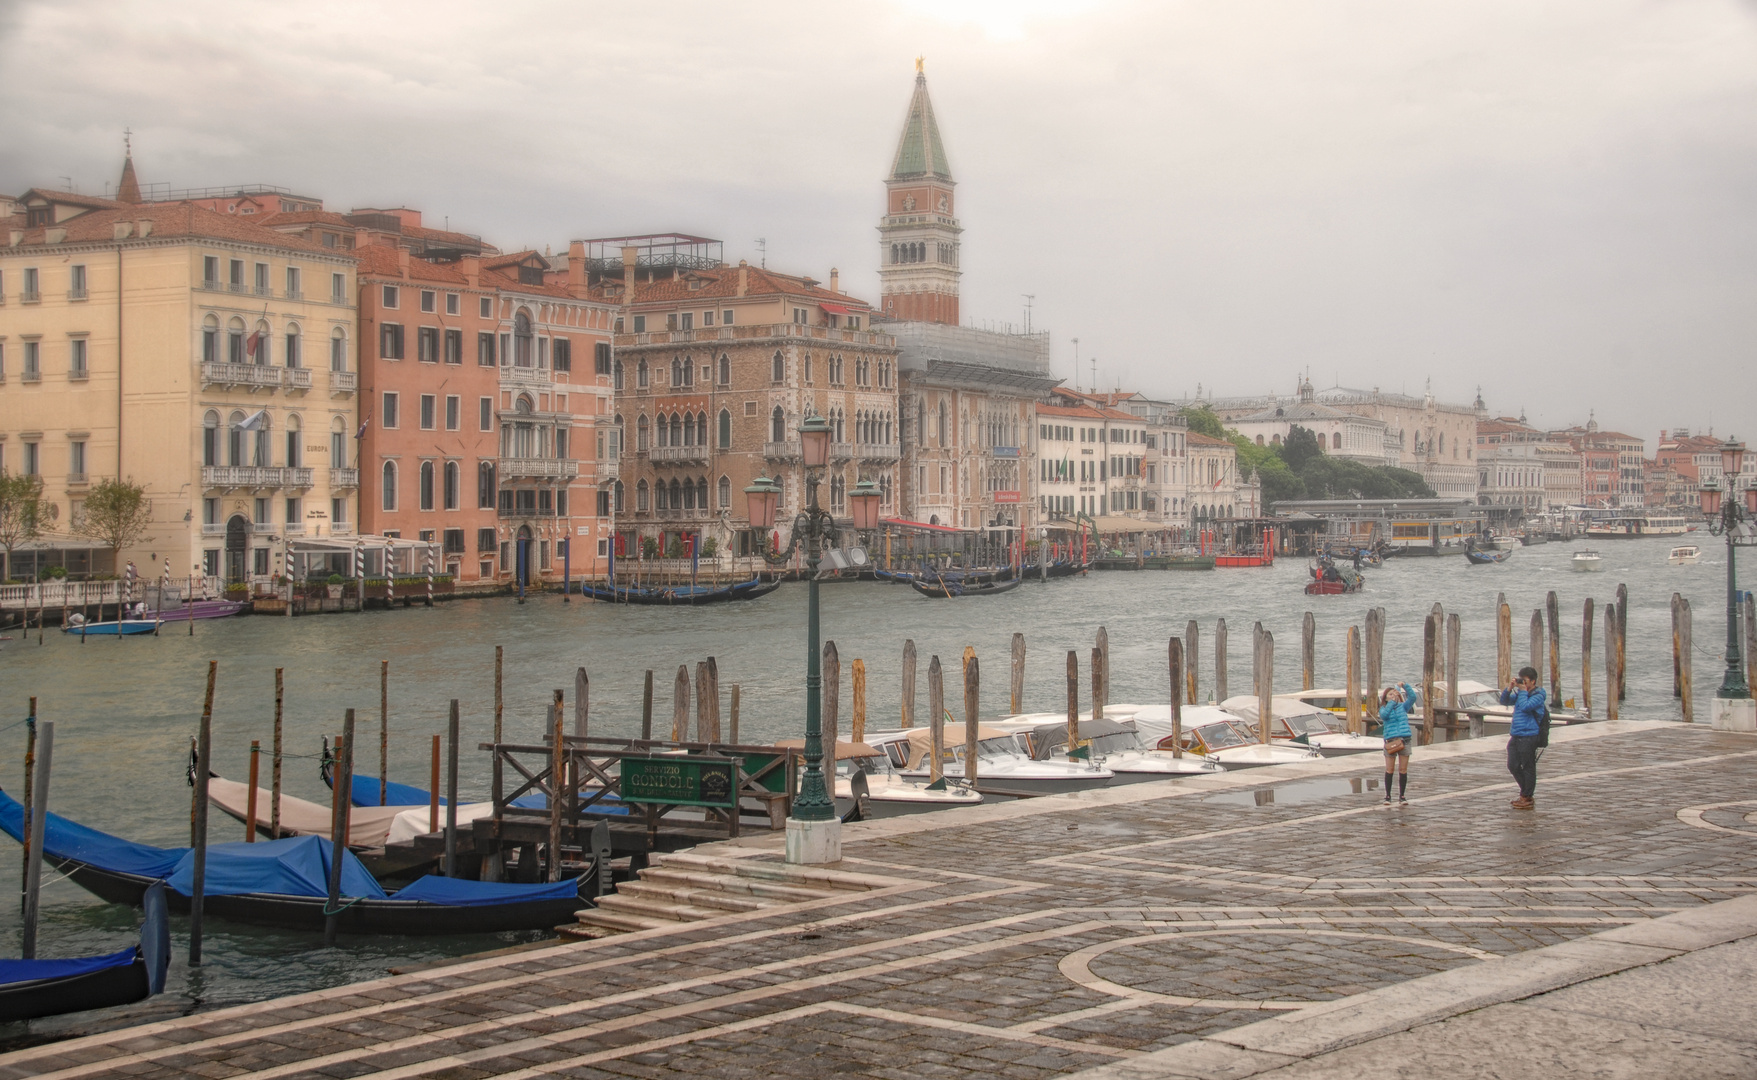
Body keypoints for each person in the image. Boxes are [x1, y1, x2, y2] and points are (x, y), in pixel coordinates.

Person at [1501, 666, 1546, 809]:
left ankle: (1527, 796)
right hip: (1516, 734)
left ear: (1532, 681)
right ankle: (1525, 792)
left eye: (1525, 681)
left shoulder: (1538, 695)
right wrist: (1510, 688)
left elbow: (1525, 706)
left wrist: (1522, 691)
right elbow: (1504, 702)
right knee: (1512, 765)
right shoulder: (1523, 693)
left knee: (1528, 766)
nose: (1523, 683)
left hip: (1529, 735)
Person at [1377, 682, 1418, 804]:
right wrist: (1391, 703)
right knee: (1389, 769)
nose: (1393, 696)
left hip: (1404, 740)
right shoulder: (1384, 709)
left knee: (1403, 769)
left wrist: (1404, 686)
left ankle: (1402, 796)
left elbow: (1413, 697)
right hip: (1391, 741)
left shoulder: (1403, 707)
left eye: (1394, 694)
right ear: (1385, 698)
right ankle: (1388, 796)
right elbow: (1384, 716)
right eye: (1390, 694)